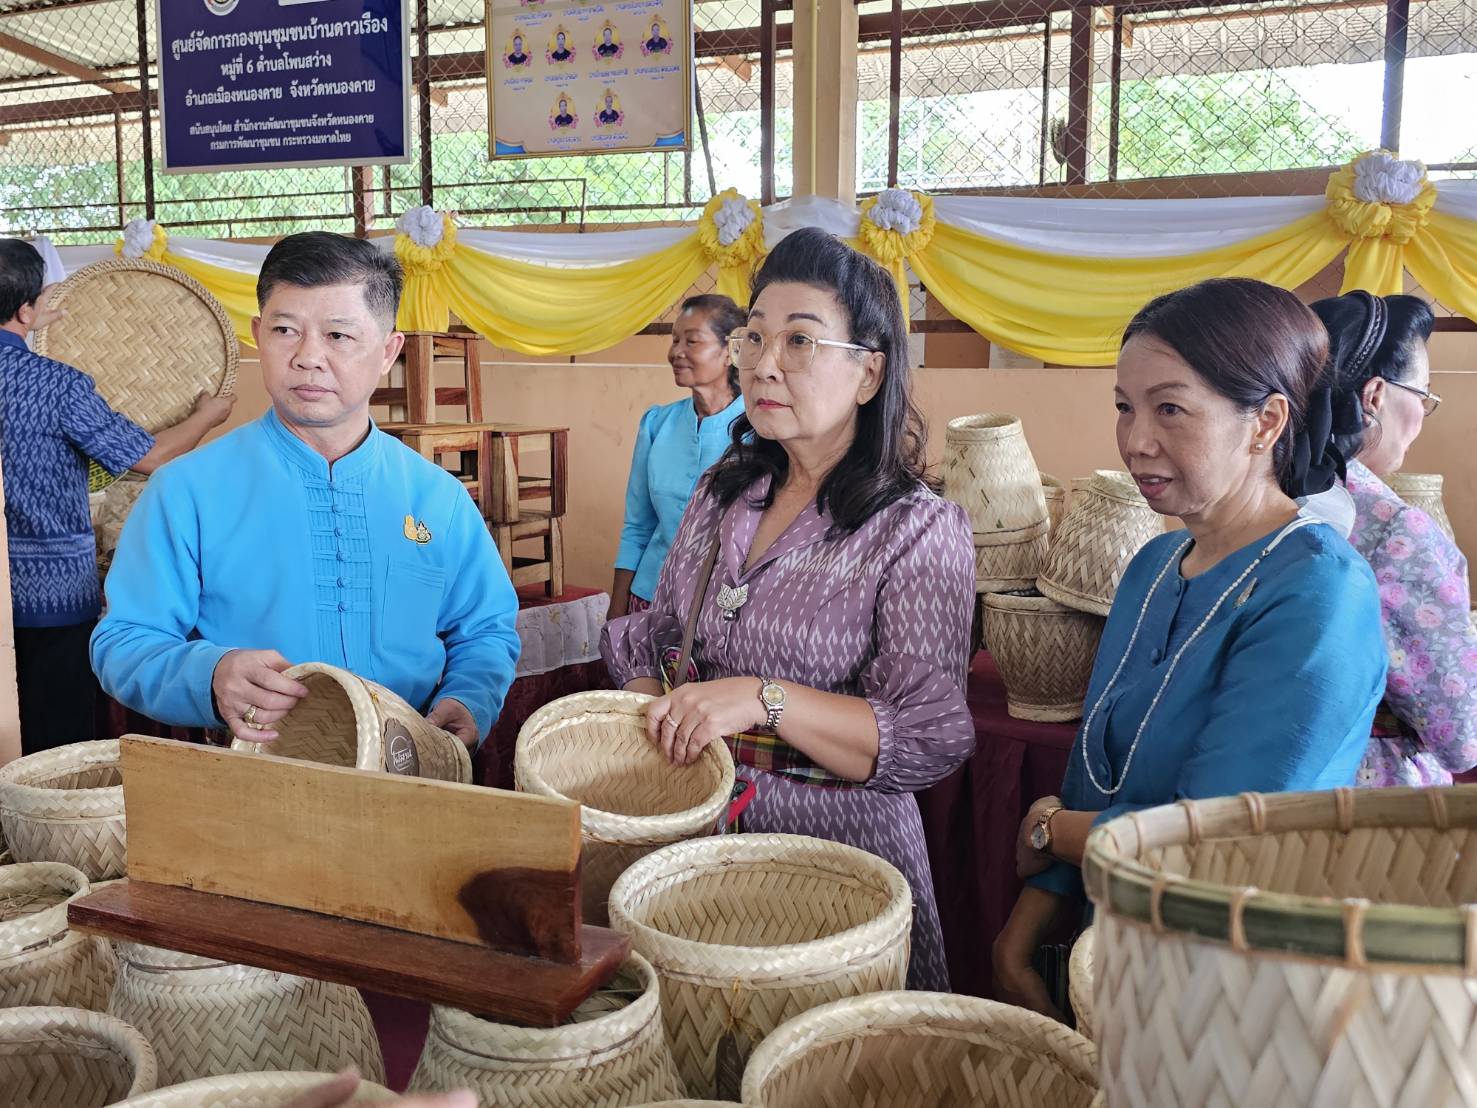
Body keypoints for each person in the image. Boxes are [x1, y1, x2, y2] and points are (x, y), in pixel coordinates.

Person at [993, 278, 1387, 1018]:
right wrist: (1020, 941)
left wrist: (1050, 830)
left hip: (1236, 983)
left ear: (1266, 422)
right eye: (1124, 407)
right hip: (1114, 956)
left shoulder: (1317, 591)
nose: (1135, 440)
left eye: (1169, 409)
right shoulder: (1152, 566)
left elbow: (1213, 843)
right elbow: (1093, 772)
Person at [601, 228, 976, 990]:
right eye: (754, 336)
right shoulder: (724, 494)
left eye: (800, 341)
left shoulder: (914, 529)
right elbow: (657, 636)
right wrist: (653, 710)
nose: (764, 364)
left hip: (837, 869)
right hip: (699, 844)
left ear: (869, 372)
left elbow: (925, 735)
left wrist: (762, 699)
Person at [91, 232, 520, 749]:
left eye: (339, 335)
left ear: (388, 351)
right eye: (285, 330)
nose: (308, 356)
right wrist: (211, 673)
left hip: (408, 765)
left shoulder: (437, 497)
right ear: (258, 335)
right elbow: (124, 642)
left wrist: (470, 697)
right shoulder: (185, 490)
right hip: (254, 770)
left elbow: (485, 629)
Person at [0, 238, 234, 754]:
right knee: (54, 740)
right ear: (26, 310)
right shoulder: (56, 385)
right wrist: (207, 416)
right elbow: (148, 457)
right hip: (49, 596)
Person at [1311, 291, 1477, 787]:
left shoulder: (1250, 504)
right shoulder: (1394, 532)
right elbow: (1461, 734)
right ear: (1375, 396)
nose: (1423, 413)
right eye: (1423, 395)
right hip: (1366, 795)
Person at [609, 294, 746, 621]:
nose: (676, 352)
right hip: (649, 598)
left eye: (692, 341)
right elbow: (638, 525)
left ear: (730, 351)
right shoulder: (657, 424)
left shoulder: (758, 432)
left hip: (722, 607)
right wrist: (617, 609)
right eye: (674, 340)